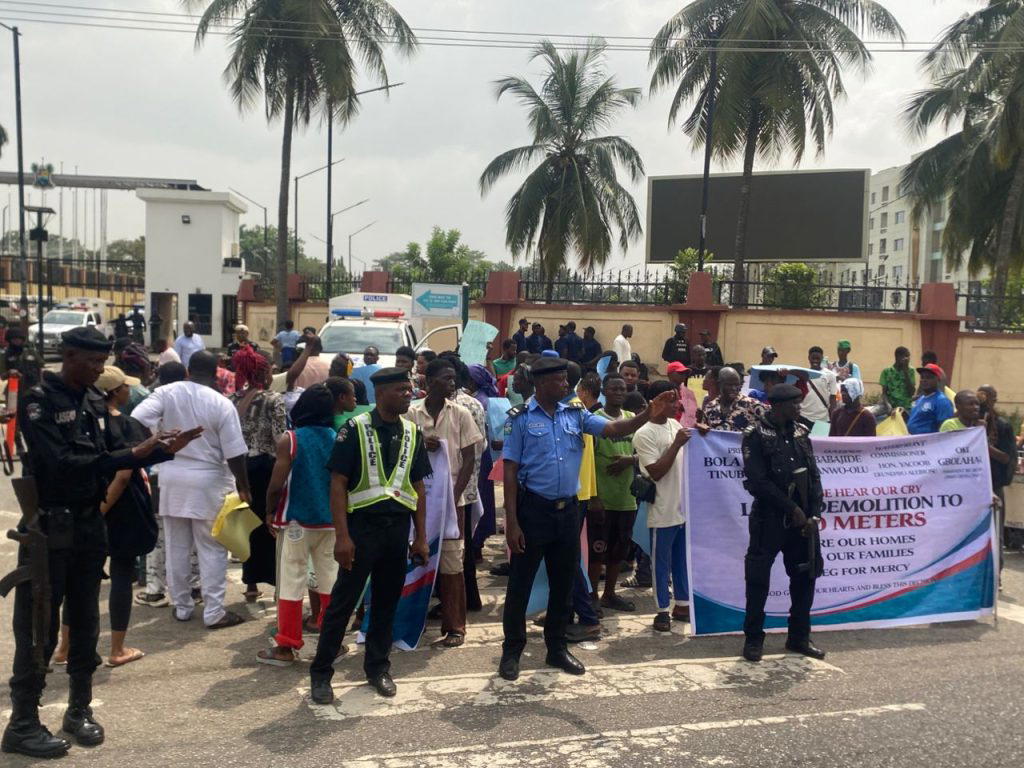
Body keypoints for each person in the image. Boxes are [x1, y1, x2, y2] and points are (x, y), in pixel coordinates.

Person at [4, 327, 198, 759]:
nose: (98, 369)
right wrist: (131, 455)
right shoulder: (40, 400)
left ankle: (78, 710)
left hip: (89, 526)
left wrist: (163, 449)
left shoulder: (93, 400)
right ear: (68, 355)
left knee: (87, 618)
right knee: (39, 627)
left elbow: (118, 449)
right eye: (91, 361)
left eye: (101, 362)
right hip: (49, 528)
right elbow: (60, 466)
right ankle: (22, 723)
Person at [498, 357, 674, 681]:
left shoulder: (577, 414)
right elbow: (509, 470)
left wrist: (648, 414)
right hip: (533, 511)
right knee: (520, 585)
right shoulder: (519, 419)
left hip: (568, 512)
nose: (566, 386)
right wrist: (512, 522)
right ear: (540, 383)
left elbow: (613, 429)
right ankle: (512, 652)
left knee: (563, 583)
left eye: (567, 380)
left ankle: (556, 648)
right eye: (559, 381)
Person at [309, 368, 431, 703]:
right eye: (400, 390)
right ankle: (321, 674)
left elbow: (418, 486)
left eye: (410, 390)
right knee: (342, 605)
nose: (408, 395)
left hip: (396, 531)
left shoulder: (411, 432)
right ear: (381, 394)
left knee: (386, 603)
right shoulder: (354, 429)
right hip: (361, 531)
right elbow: (338, 484)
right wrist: (342, 537)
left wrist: (420, 536)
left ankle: (377, 668)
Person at [131, 351, 251, 629]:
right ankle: (214, 612)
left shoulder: (166, 393)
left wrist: (153, 446)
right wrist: (244, 487)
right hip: (209, 482)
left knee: (176, 546)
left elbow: (136, 420)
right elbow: (235, 453)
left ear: (187, 370)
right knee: (213, 549)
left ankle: (182, 606)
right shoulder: (221, 403)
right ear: (217, 372)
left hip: (171, 478)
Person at [53, 365, 156, 670]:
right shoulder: (124, 425)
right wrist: (101, 510)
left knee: (81, 578)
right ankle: (117, 648)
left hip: (87, 505)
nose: (130, 390)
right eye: (125, 386)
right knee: (122, 574)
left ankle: (64, 648)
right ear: (114, 392)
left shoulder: (83, 423)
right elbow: (123, 477)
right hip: (119, 509)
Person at [741, 383, 826, 663]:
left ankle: (799, 637)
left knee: (804, 578)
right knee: (757, 580)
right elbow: (757, 481)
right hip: (770, 519)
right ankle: (754, 639)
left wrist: (813, 512)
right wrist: (790, 508)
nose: (799, 408)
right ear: (778, 406)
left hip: (803, 522)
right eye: (794, 404)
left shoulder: (802, 432)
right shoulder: (755, 434)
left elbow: (814, 475)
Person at [257, 385, 340, 666]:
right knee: (329, 581)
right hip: (330, 520)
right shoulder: (336, 437)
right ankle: (332, 644)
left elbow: (276, 484)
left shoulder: (290, 439)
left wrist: (269, 511)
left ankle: (286, 646)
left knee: (291, 582)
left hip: (296, 520)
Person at [408, 359, 482, 647]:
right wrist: (419, 444)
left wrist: (453, 496)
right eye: (447, 379)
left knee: (452, 562)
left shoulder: (461, 413)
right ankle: (411, 620)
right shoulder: (412, 414)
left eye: (454, 379)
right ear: (430, 381)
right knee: (415, 559)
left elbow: (469, 459)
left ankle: (455, 627)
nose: (452, 384)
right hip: (418, 500)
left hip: (453, 500)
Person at [634, 379, 691, 631]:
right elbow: (654, 472)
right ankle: (661, 610)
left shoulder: (675, 424)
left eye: (675, 398)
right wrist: (677, 443)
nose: (675, 403)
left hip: (681, 506)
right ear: (654, 403)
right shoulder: (643, 433)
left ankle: (682, 603)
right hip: (662, 508)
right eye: (669, 399)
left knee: (681, 560)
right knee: (661, 562)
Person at [231, 347, 286, 602]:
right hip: (267, 467)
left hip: (240, 468)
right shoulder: (274, 400)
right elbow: (279, 437)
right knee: (272, 523)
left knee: (247, 525)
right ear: (264, 372)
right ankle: (278, 585)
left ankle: (251, 583)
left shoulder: (234, 399)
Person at [590, 372, 640, 613]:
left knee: (618, 553)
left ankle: (609, 594)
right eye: (614, 389)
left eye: (623, 389)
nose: (619, 392)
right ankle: (591, 597)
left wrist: (630, 460)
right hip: (602, 500)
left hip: (626, 499)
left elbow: (648, 452)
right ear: (604, 390)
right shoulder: (594, 420)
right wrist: (594, 497)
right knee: (596, 552)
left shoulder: (633, 419)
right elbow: (587, 461)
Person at [977, 385, 1017, 575]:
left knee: (995, 533)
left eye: (986, 396)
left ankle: (996, 573)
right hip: (973, 487)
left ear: (994, 399)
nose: (982, 401)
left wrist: (983, 442)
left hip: (994, 484)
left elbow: (1007, 457)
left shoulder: (1003, 426)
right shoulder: (970, 423)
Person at [703, 367, 766, 432]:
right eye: (729, 385)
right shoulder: (710, 407)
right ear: (719, 384)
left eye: (736, 385)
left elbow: (772, 419)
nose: (734, 388)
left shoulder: (752, 405)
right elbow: (704, 429)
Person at [907, 363, 954, 435]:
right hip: (915, 442)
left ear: (938, 379)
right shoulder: (920, 399)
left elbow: (945, 428)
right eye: (922, 377)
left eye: (929, 377)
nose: (924, 380)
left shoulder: (942, 401)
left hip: (929, 443)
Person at [800, 346, 839, 424]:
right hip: (803, 417)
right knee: (803, 437)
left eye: (817, 358)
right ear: (808, 358)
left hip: (823, 419)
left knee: (820, 437)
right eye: (813, 358)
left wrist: (833, 419)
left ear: (822, 358)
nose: (815, 361)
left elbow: (833, 398)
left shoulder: (830, 375)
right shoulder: (802, 374)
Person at [879, 346, 916, 412]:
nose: (908, 359)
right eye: (906, 356)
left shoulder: (911, 371)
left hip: (906, 408)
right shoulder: (887, 372)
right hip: (891, 407)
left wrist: (905, 372)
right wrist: (888, 405)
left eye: (909, 356)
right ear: (898, 357)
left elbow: (912, 392)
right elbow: (884, 393)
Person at [666, 361, 698, 427]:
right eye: (680, 373)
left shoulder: (689, 392)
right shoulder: (664, 389)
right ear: (670, 374)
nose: (684, 375)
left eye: (685, 373)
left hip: (686, 427)